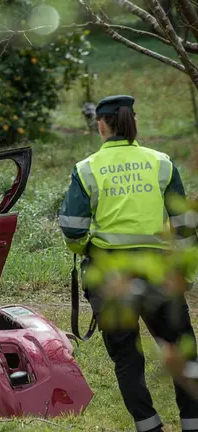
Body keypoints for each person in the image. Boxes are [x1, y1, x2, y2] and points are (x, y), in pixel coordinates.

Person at [59, 95, 198, 432]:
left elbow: (73, 228)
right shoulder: (161, 162)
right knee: (182, 352)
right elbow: (185, 224)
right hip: (159, 273)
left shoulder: (87, 168)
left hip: (110, 275)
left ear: (101, 124)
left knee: (127, 357)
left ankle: (148, 426)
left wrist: (84, 248)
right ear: (133, 122)